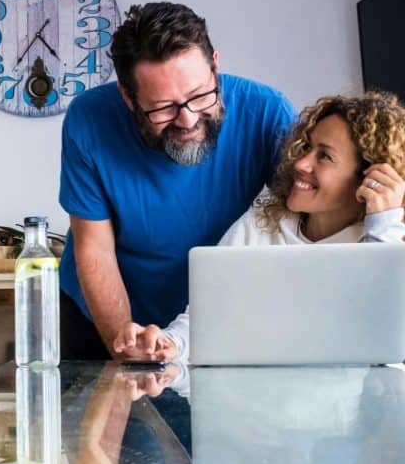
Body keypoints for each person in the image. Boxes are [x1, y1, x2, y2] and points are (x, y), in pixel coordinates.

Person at [58, 1, 296, 360]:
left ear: (215, 65)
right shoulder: (88, 120)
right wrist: (127, 348)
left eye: (201, 95)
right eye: (162, 107)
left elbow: (301, 227)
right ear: (128, 96)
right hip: (103, 315)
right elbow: (95, 250)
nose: (187, 120)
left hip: (223, 314)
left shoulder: (268, 112)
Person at [115, 91, 405, 361]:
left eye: (324, 156)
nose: (301, 163)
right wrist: (167, 344)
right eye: (307, 146)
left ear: (367, 178)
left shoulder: (385, 238)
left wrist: (383, 228)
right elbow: (208, 316)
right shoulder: (265, 217)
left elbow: (383, 341)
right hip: (257, 402)